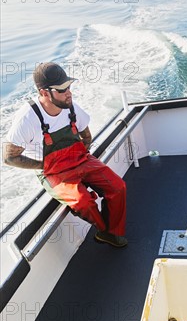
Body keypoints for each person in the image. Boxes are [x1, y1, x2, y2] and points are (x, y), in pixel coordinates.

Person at [3, 62, 128, 248]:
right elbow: (9, 158)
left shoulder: (71, 107)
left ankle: (112, 233)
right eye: (62, 90)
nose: (68, 93)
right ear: (44, 93)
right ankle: (106, 231)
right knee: (83, 202)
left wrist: (83, 161)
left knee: (118, 187)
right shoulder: (28, 118)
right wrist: (43, 166)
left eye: (68, 86)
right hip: (53, 172)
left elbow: (86, 136)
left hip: (80, 159)